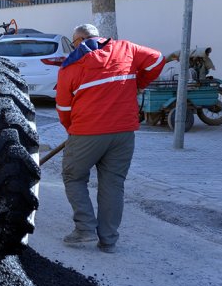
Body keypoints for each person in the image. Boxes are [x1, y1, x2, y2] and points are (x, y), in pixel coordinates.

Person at [54, 23, 165, 253]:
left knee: (73, 176)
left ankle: (85, 228)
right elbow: (157, 60)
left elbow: (64, 108)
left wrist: (71, 129)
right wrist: (138, 83)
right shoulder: (126, 49)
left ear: (78, 41)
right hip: (124, 133)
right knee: (113, 183)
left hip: (86, 132)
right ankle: (108, 240)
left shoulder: (71, 67)